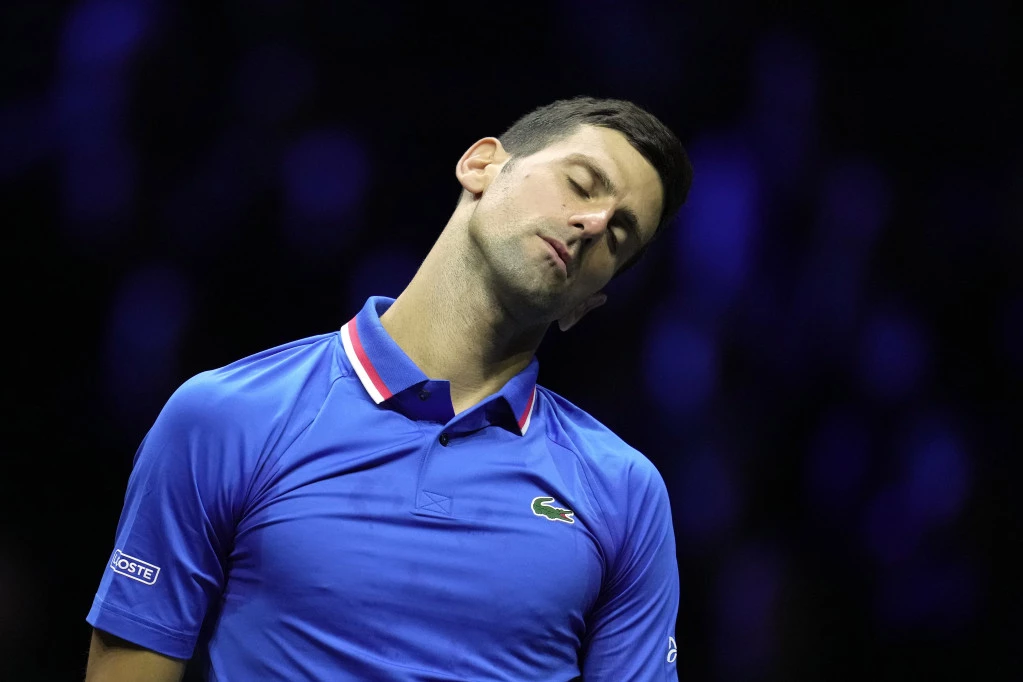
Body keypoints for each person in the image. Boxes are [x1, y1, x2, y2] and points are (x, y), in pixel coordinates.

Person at [84, 95, 694, 681]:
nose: (593, 223)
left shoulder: (625, 494)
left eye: (619, 236)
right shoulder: (225, 416)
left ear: (588, 303)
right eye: (581, 184)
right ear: (482, 165)